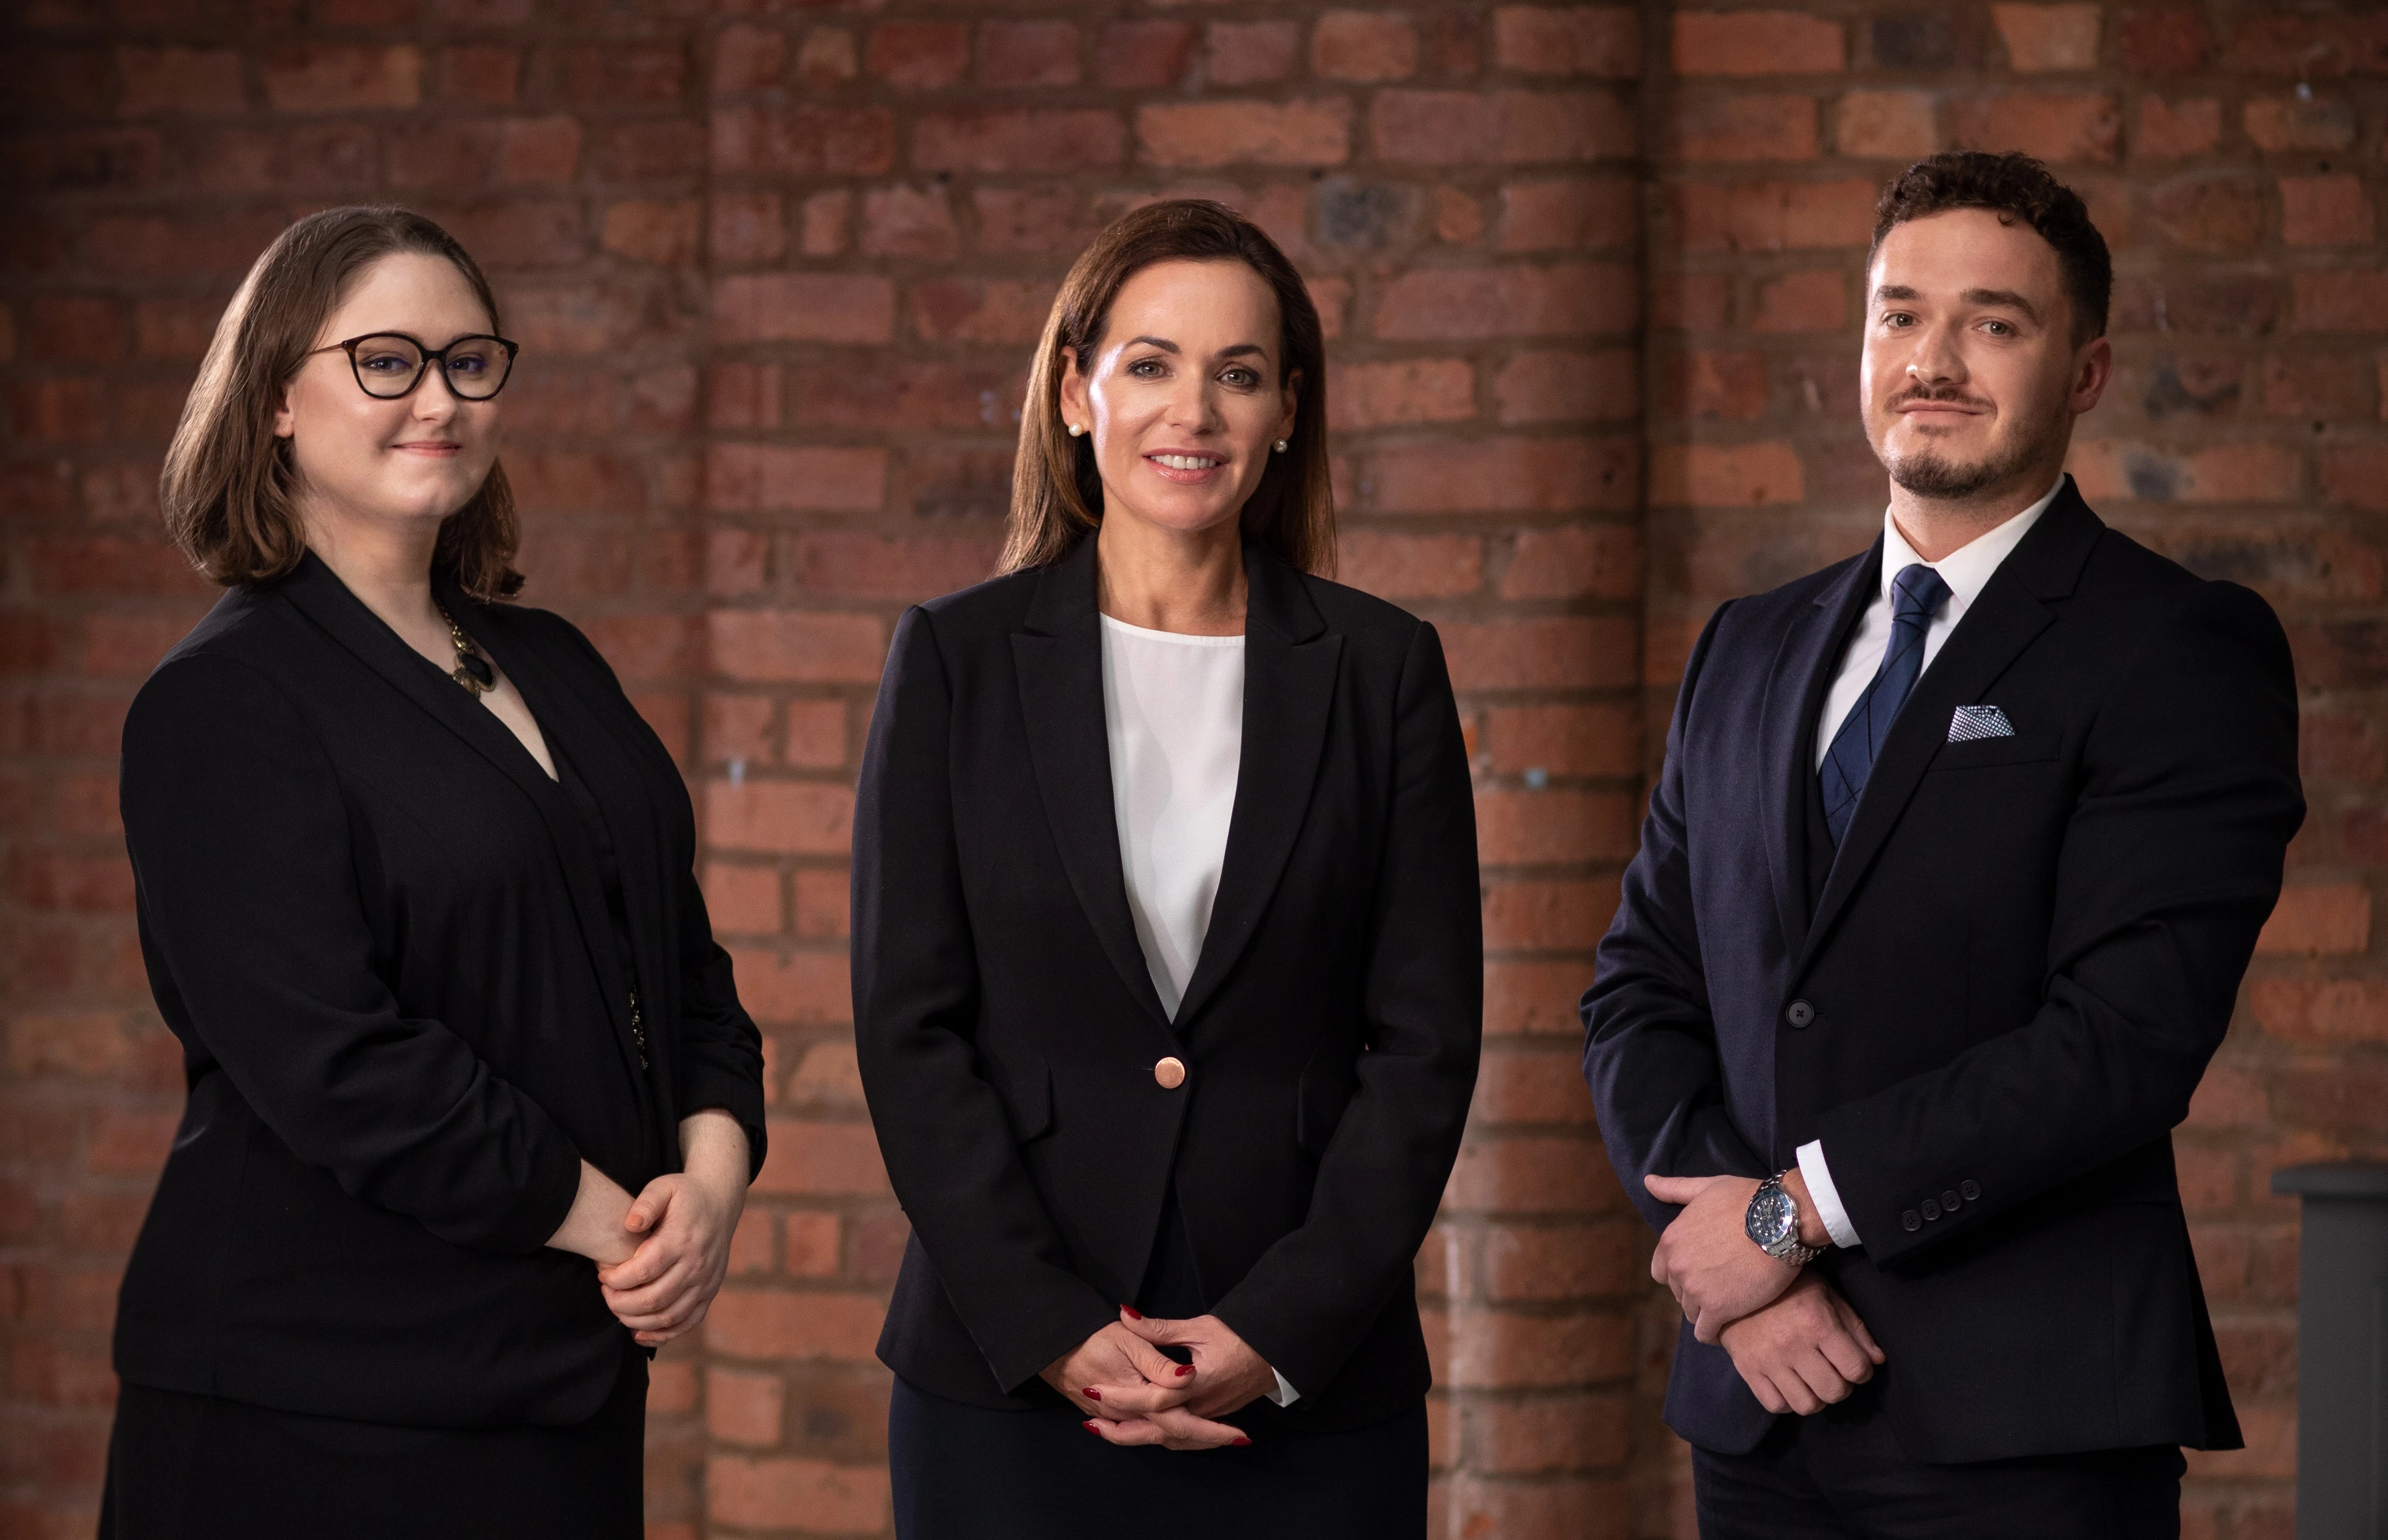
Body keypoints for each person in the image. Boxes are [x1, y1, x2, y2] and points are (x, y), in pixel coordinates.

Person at [1583, 151, 2304, 1538]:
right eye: (1900, 314)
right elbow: (1639, 991)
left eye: (1994, 322)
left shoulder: (2172, 647)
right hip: (1759, 1405)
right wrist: (1751, 1277)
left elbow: (2121, 1039)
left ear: (2084, 372)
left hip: (2023, 1424)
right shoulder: (1749, 646)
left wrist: (1789, 1216)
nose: (1935, 359)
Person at [100, 206, 767, 1539]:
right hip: (322, 1406)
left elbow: (681, 968)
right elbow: (338, 1064)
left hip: (556, 1379)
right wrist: (609, 1223)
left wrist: (713, 1173)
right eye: (387, 360)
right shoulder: (223, 700)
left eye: (470, 361)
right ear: (277, 396)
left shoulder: (556, 661)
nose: (439, 399)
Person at [852, 199, 1481, 1538]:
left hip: (1305, 1385)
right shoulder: (955, 662)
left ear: (1285, 413)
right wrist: (1053, 1325)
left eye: (1236, 373)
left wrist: (1279, 1325)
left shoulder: (1380, 670)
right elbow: (909, 1031)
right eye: (1147, 362)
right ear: (1077, 392)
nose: (1188, 409)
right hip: (1011, 1382)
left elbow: (1423, 1047)